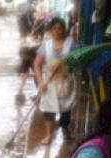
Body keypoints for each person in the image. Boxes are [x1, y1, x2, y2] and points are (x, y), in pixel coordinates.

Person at [33, 17, 76, 145]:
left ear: (64, 30)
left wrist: (66, 64)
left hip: (65, 81)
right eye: (55, 28)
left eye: (60, 28)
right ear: (50, 30)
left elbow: (76, 62)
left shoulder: (71, 44)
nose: (58, 31)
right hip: (49, 83)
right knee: (48, 110)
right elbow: (37, 64)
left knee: (66, 109)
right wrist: (40, 81)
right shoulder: (46, 46)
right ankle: (48, 135)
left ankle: (65, 128)